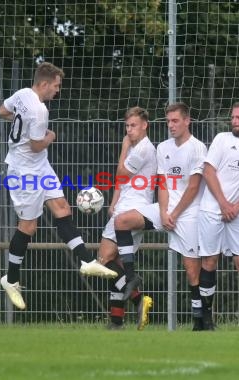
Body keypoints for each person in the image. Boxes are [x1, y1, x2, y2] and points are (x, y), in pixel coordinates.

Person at [0, 62, 116, 310]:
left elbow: (2, 112)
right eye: (56, 86)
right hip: (24, 171)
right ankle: (11, 278)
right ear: (44, 83)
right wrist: (51, 135)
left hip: (40, 166)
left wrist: (22, 123)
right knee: (28, 227)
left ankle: (85, 261)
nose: (57, 91)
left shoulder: (21, 94)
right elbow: (37, 145)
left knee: (62, 208)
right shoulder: (40, 111)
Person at [101, 102, 207, 330]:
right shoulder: (163, 148)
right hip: (163, 208)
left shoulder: (197, 148)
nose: (170, 125)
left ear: (187, 121)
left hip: (188, 213)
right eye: (168, 121)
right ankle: (130, 283)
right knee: (122, 222)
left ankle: (200, 321)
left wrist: (175, 214)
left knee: (191, 270)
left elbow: (193, 187)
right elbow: (163, 185)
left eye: (175, 120)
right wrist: (163, 212)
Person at [197, 102, 239, 330]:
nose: (234, 121)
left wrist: (236, 207)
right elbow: (208, 170)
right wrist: (224, 204)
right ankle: (206, 319)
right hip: (212, 210)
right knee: (210, 261)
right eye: (232, 117)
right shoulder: (222, 139)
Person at [97, 106, 156, 330]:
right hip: (126, 206)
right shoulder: (136, 147)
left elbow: (120, 173)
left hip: (133, 209)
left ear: (144, 125)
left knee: (103, 260)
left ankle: (139, 298)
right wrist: (113, 203)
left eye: (133, 126)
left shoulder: (142, 149)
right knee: (117, 265)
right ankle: (116, 321)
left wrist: (123, 148)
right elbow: (123, 182)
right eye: (127, 126)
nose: (129, 131)